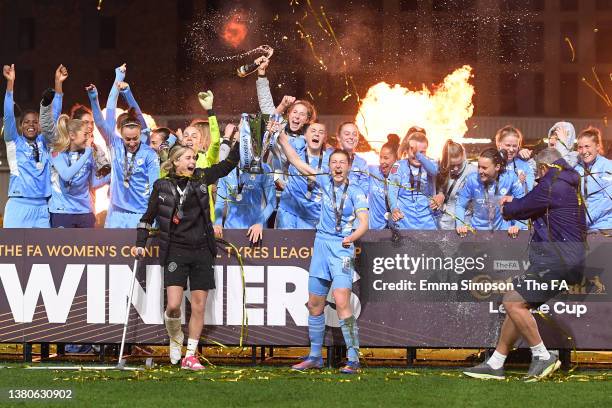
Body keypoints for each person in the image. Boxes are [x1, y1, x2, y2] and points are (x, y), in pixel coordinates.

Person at [464, 148, 586, 381]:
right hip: (565, 259)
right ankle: (496, 362)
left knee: (511, 302)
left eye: (538, 174)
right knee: (516, 302)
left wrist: (508, 204)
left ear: (543, 168)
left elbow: (518, 209)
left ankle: (542, 356)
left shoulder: (552, 184)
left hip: (557, 259)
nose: (538, 179)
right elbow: (535, 205)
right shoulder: (565, 183)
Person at [134, 142, 240, 370]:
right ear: (176, 162)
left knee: (199, 305)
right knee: (173, 306)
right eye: (188, 158)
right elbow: (147, 216)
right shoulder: (161, 185)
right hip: (175, 249)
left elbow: (228, 165)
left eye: (194, 158)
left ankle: (190, 356)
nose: (193, 162)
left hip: (202, 249)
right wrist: (140, 243)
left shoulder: (201, 178)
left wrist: (241, 139)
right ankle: (175, 340)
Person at [277, 126, 369, 374]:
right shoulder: (324, 182)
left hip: (342, 249)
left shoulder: (357, 192)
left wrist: (352, 237)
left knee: (341, 301)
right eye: (334, 162)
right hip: (321, 245)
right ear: (329, 166)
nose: (338, 166)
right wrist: (282, 138)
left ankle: (353, 359)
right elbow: (296, 162)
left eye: (342, 162)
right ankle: (315, 356)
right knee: (315, 304)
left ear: (349, 165)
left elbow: (364, 223)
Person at [87, 72, 160, 227]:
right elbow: (100, 123)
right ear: (120, 134)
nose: (132, 142)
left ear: (141, 134)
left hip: (141, 213)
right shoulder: (115, 144)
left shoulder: (148, 153)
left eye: (136, 138)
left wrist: (127, 93)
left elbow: (155, 186)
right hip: (116, 215)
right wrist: (93, 98)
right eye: (128, 139)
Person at [2, 64, 64, 227]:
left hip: (42, 207)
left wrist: (58, 83)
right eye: (27, 122)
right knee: (12, 252)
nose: (31, 125)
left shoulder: (44, 141)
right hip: (18, 205)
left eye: (35, 122)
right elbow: (8, 115)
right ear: (20, 125)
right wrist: (10, 82)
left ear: (40, 125)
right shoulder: (13, 141)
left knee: (42, 252)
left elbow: (54, 115)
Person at [40, 108, 109, 227]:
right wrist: (88, 153)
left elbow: (93, 182)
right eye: (85, 135)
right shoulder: (57, 152)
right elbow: (66, 175)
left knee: (86, 246)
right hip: (62, 211)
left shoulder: (90, 153)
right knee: (62, 246)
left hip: (85, 211)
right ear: (72, 135)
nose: (88, 138)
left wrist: (111, 177)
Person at [456, 148, 524, 236]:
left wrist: (517, 225)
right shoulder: (472, 179)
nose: (480, 171)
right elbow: (460, 205)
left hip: (502, 232)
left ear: (497, 167)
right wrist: (460, 224)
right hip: (476, 232)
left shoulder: (510, 177)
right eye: (479, 167)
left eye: (484, 168)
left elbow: (523, 203)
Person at [276, 122, 329, 229]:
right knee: (284, 244)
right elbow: (281, 138)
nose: (317, 134)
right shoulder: (296, 147)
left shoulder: (330, 160)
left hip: (312, 215)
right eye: (313, 131)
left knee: (305, 246)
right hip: (289, 210)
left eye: (321, 132)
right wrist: (275, 128)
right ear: (305, 135)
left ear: (325, 138)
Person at [388, 130, 439, 230]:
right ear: (406, 150)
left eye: (422, 152)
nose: (416, 155)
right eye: (413, 150)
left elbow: (434, 171)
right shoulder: (399, 166)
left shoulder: (431, 163)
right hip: (404, 223)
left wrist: (419, 155)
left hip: (428, 224)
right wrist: (394, 209)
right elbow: (392, 191)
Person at [431, 139, 476, 230]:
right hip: (444, 223)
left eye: (459, 164)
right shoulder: (439, 169)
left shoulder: (473, 171)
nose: (456, 168)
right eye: (452, 165)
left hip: (465, 222)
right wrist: (440, 194)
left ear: (463, 156)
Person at [574, 126, 611, 232]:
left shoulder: (607, 166)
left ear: (597, 146)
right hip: (582, 228)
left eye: (587, 146)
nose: (583, 151)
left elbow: (608, 200)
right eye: (580, 147)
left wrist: (585, 220)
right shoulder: (577, 167)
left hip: (604, 227)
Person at [368, 134, 399, 229]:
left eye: (386, 158)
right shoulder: (372, 171)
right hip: (375, 229)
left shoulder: (401, 175)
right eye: (380, 157)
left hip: (396, 228)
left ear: (395, 159)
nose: (382, 161)